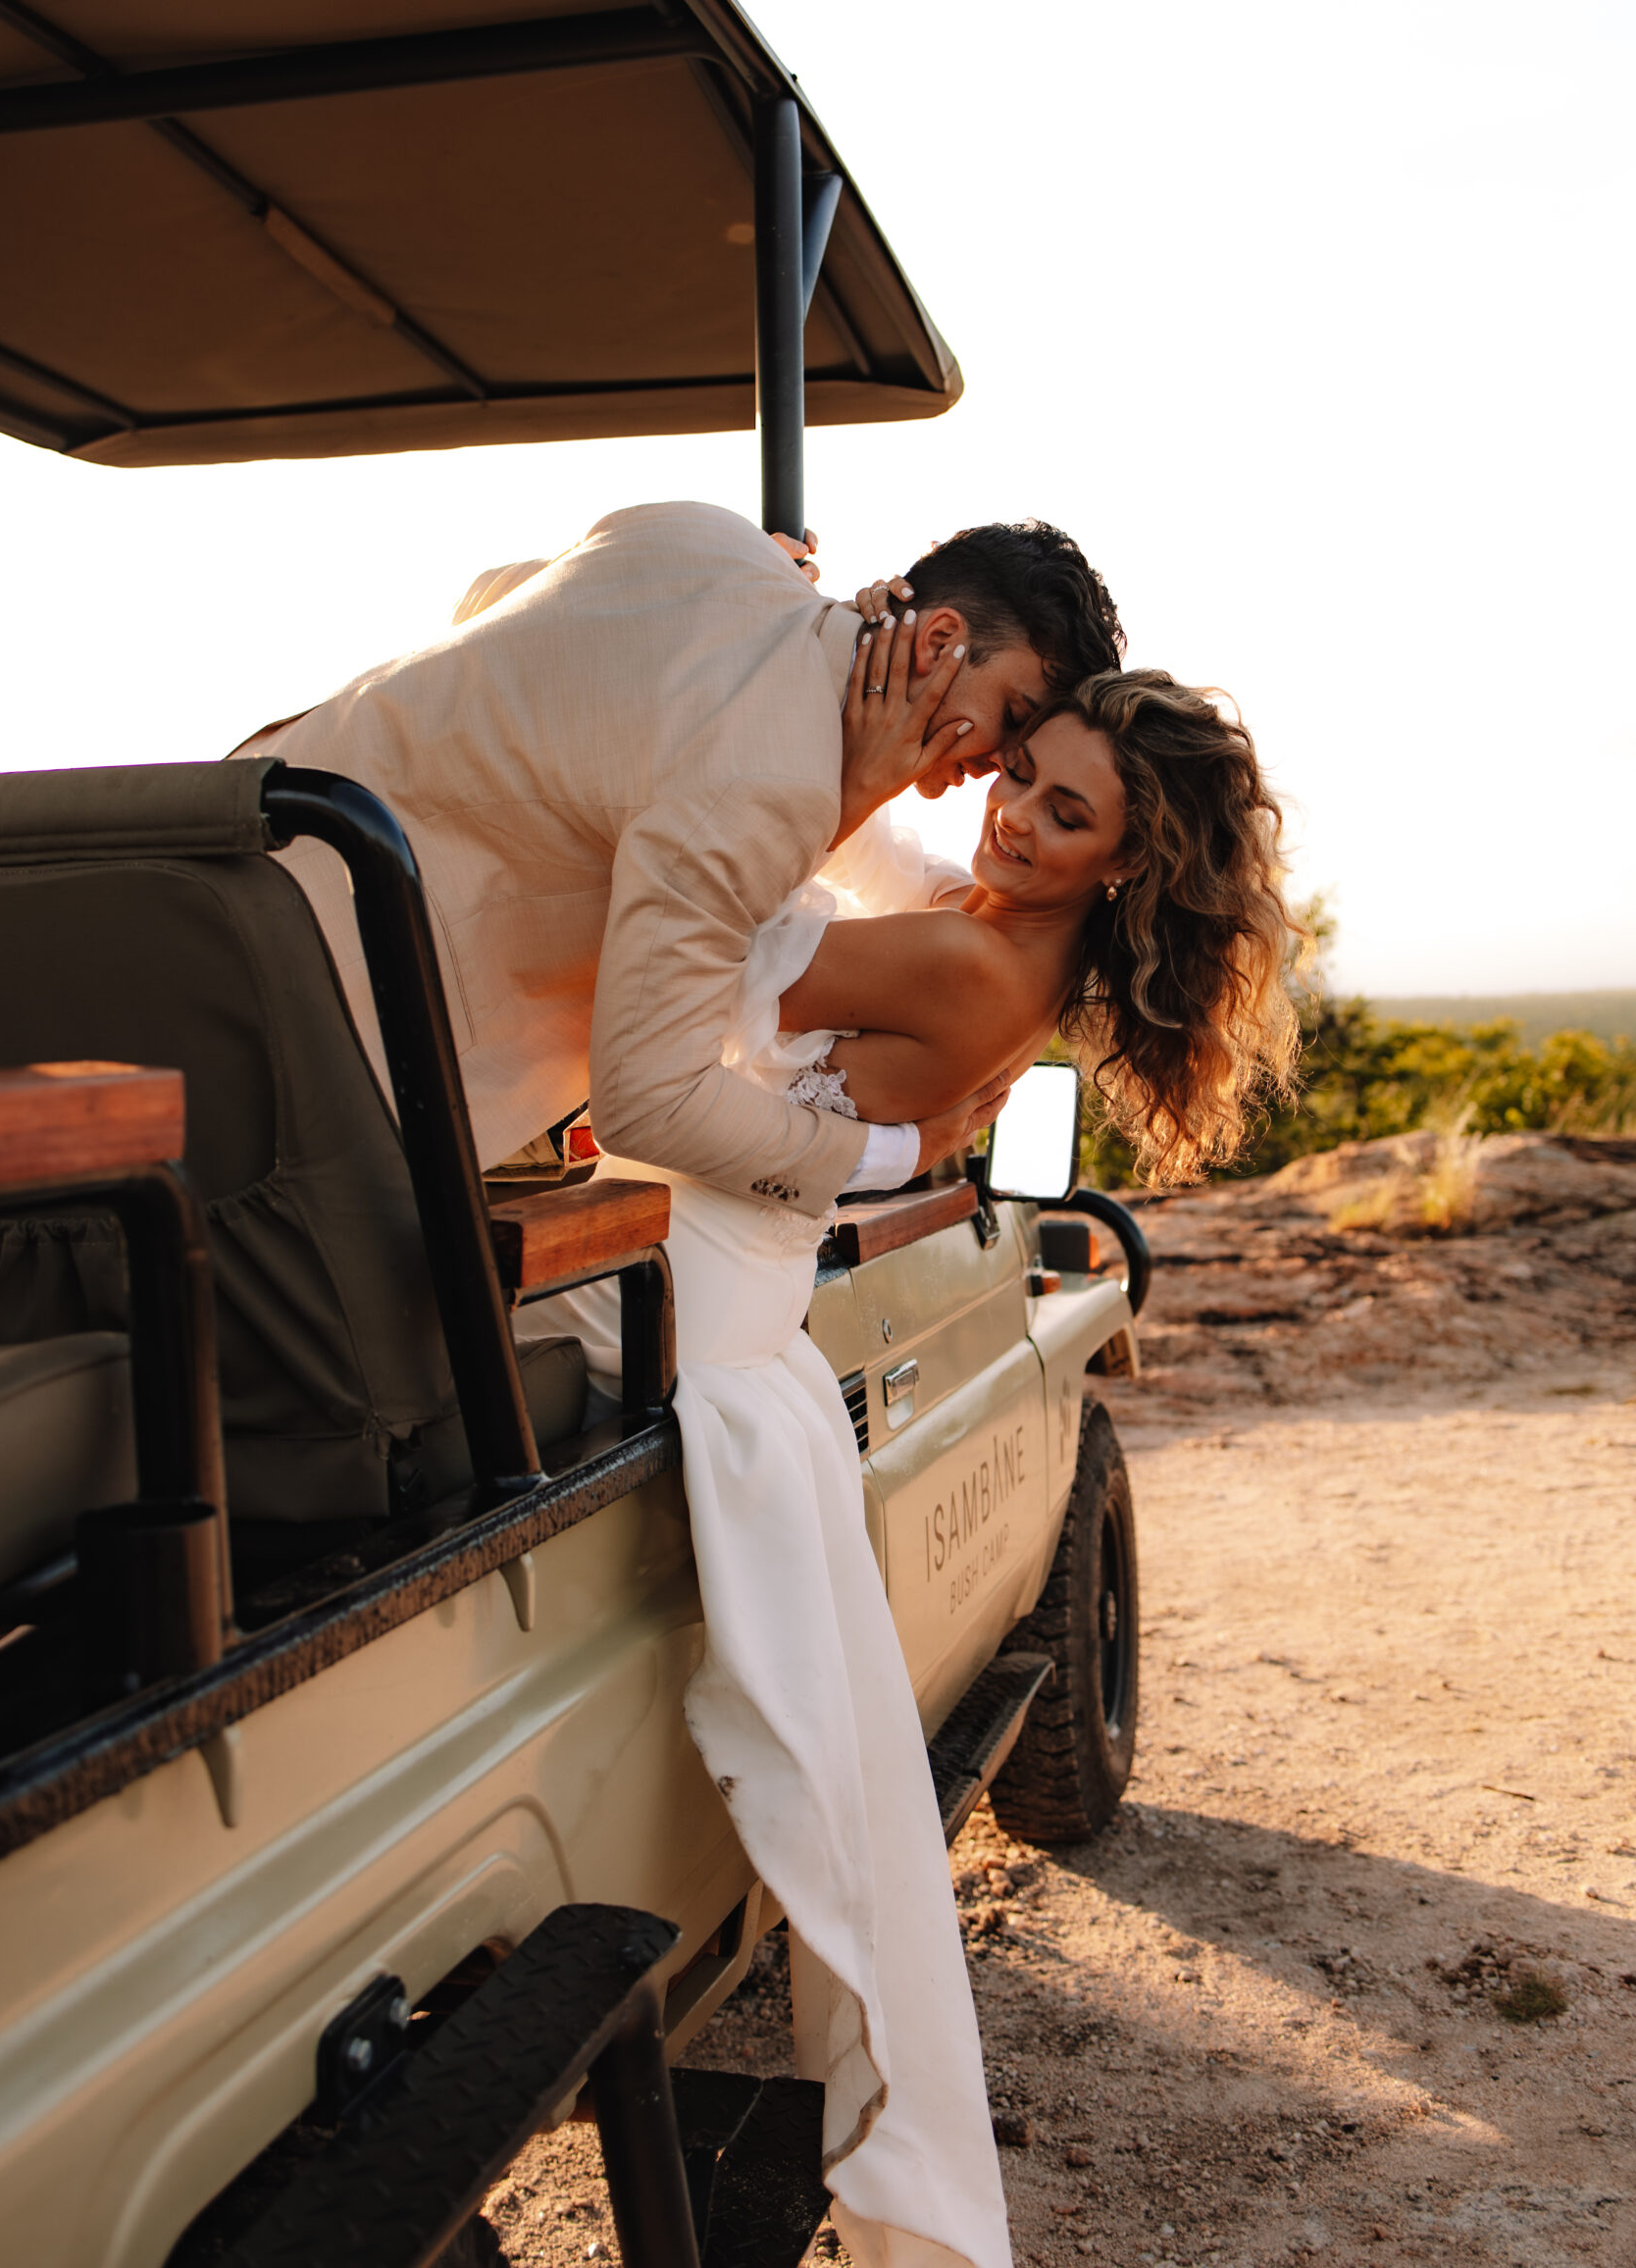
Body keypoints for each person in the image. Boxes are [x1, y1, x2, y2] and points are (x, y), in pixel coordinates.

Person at [543, 660, 1301, 2268]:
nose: (1016, 816)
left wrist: (760, 741)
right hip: (717, 1273)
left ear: (1127, 862)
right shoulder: (996, 931)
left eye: (1064, 811)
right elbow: (863, 860)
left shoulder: (965, 959)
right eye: (1021, 774)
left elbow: (713, 924)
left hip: (676, 1286)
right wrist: (809, 673)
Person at [238, 500, 1124, 1208]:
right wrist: (902, 1150)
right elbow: (648, 1103)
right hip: (310, 1043)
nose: (986, 775)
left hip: (217, 827)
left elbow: (485, 603)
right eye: (1009, 726)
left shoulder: (703, 531)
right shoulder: (778, 791)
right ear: (936, 643)